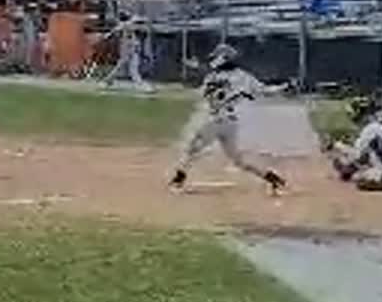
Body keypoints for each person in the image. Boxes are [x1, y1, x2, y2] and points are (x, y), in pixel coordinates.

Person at [170, 43, 288, 195]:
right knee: (239, 161)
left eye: (217, 56)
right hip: (230, 122)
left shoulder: (213, 76)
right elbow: (264, 90)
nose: (214, 59)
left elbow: (205, 91)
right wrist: (284, 86)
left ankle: (177, 181)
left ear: (224, 59)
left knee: (192, 149)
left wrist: (197, 70)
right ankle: (272, 178)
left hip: (215, 120)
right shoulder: (241, 76)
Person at [103, 15, 151, 91]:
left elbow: (145, 29)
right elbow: (116, 29)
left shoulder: (139, 29)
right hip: (126, 50)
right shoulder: (127, 25)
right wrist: (107, 35)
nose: (139, 24)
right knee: (120, 67)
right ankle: (108, 80)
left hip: (133, 51)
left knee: (133, 69)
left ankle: (140, 84)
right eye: (137, 22)